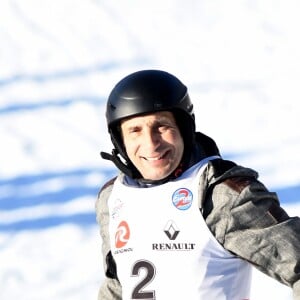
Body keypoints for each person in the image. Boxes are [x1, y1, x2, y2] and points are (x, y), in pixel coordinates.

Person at [96, 69, 300, 300]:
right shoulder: (112, 199)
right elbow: (117, 285)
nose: (150, 144)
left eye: (161, 126)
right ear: (120, 140)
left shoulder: (221, 194)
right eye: (135, 131)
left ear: (183, 128)